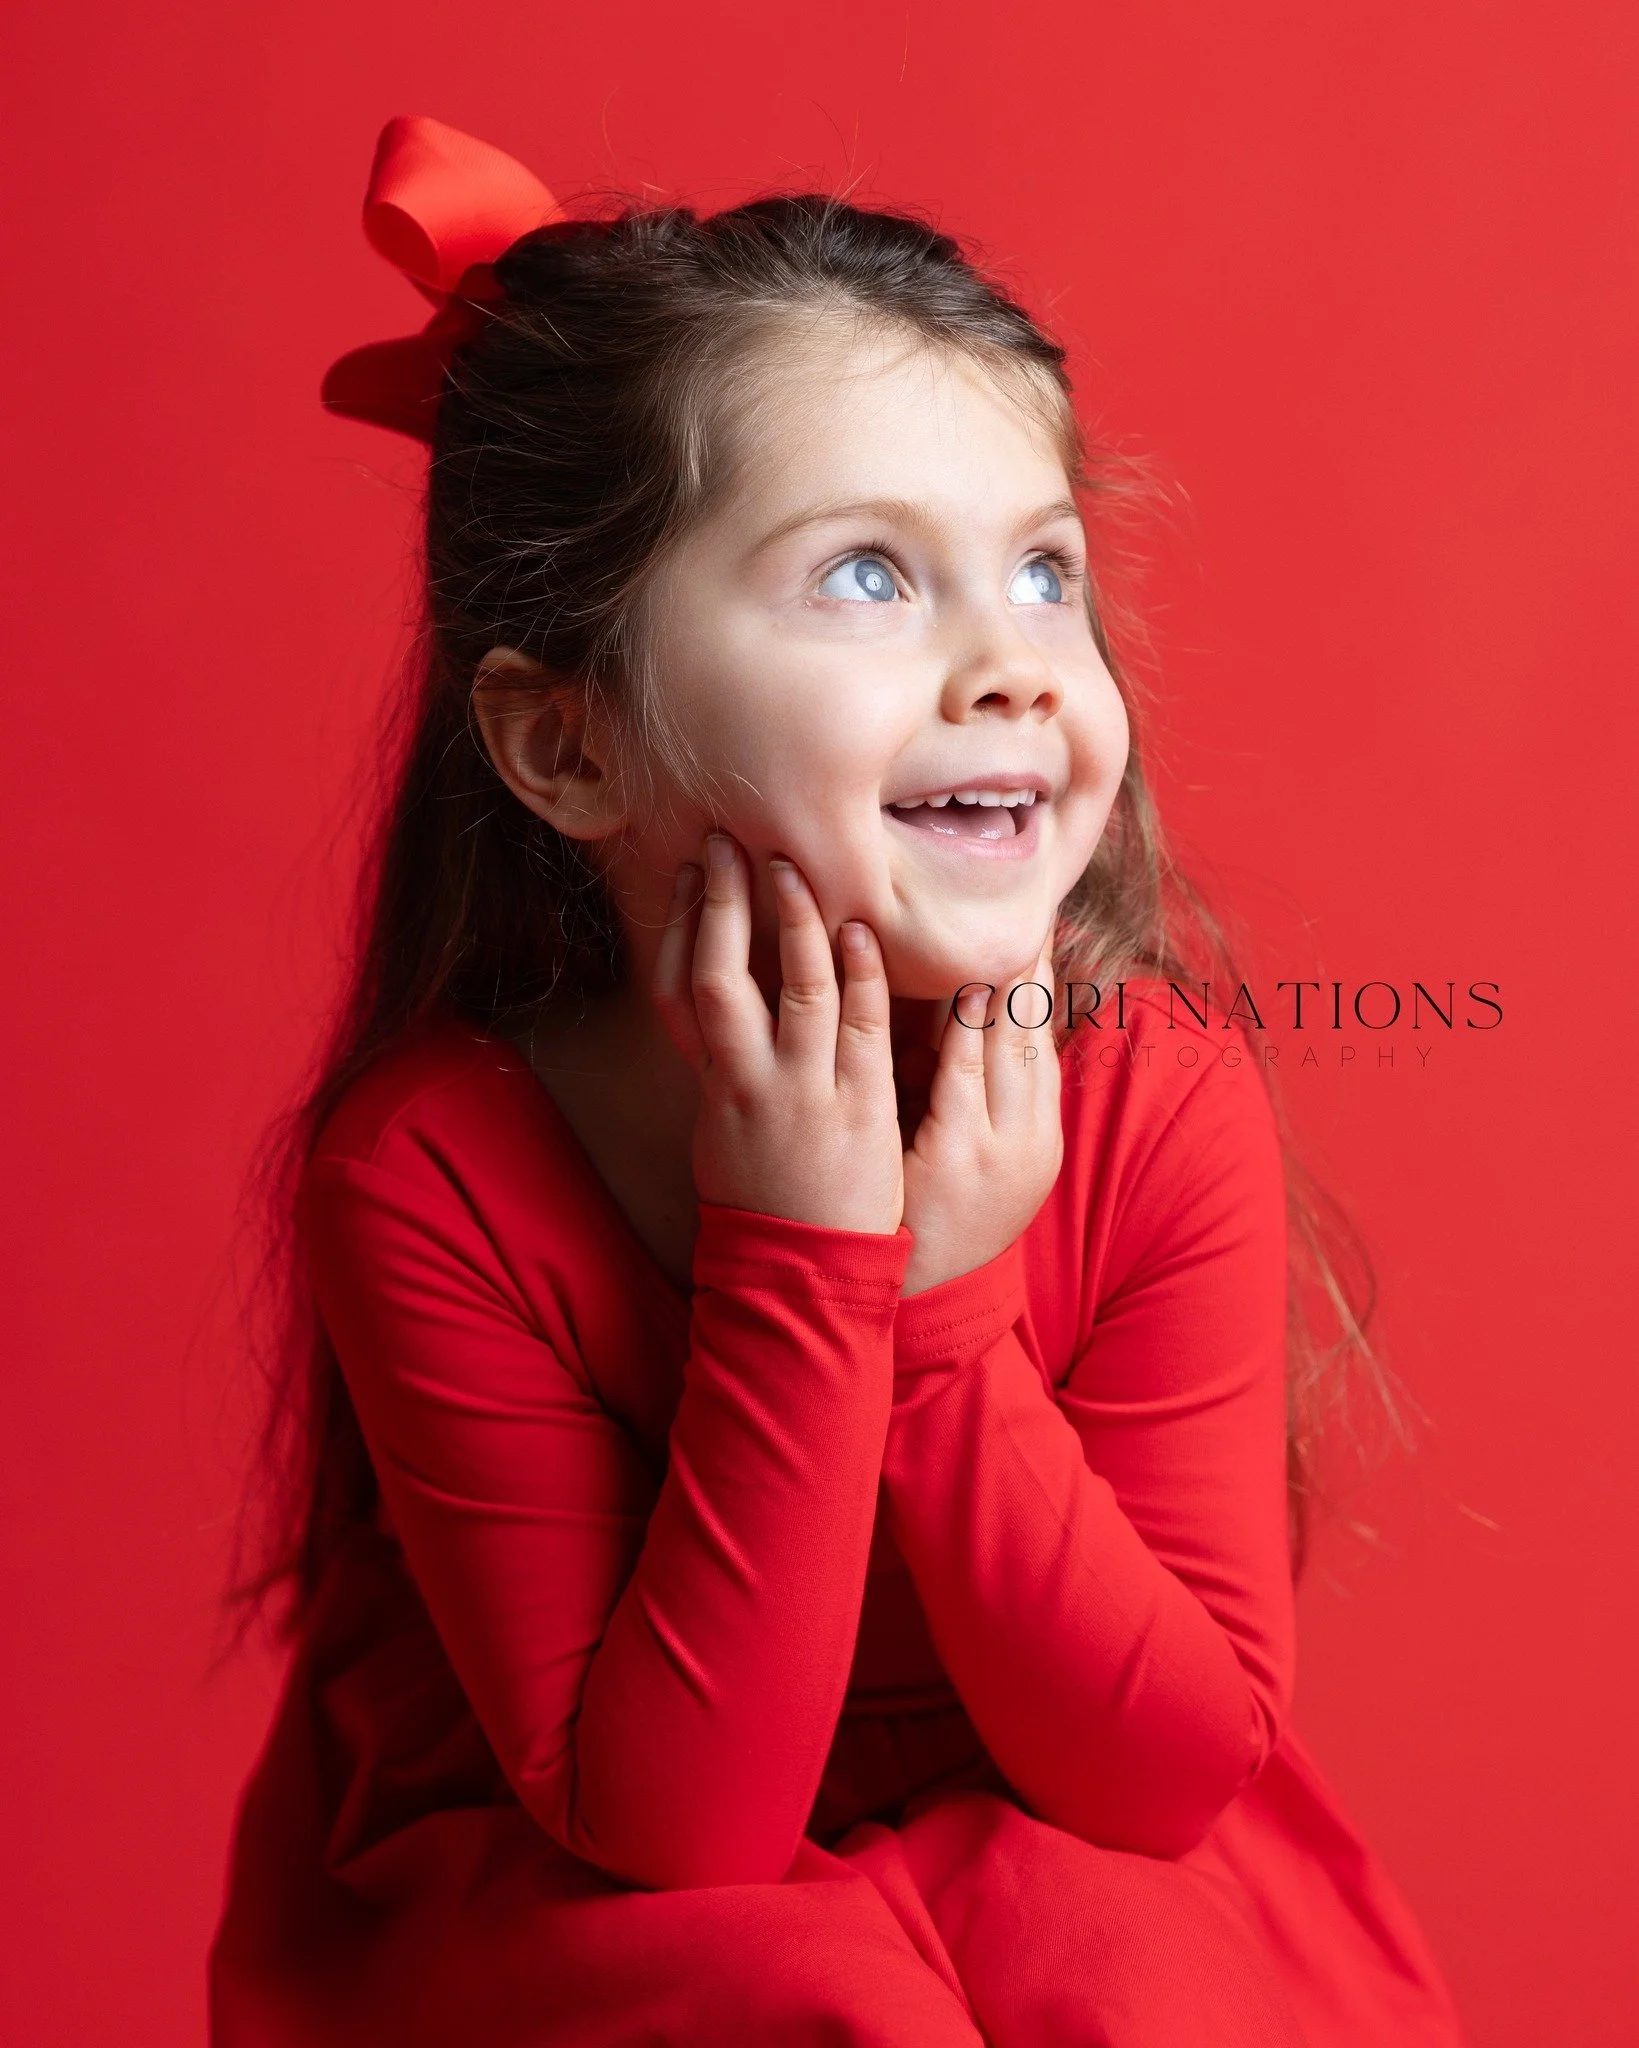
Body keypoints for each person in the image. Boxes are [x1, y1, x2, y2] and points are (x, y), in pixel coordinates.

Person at [210, 116, 1468, 2046]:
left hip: (1064, 1795)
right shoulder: (436, 1171)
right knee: (777, 1990)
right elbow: (673, 1833)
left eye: (1043, 574)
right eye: (871, 578)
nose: (1013, 666)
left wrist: (952, 1322)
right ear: (568, 749)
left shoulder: (1152, 1098)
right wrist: (808, 1258)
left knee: (1124, 1965)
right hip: (619, 1862)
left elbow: (1158, 1781)